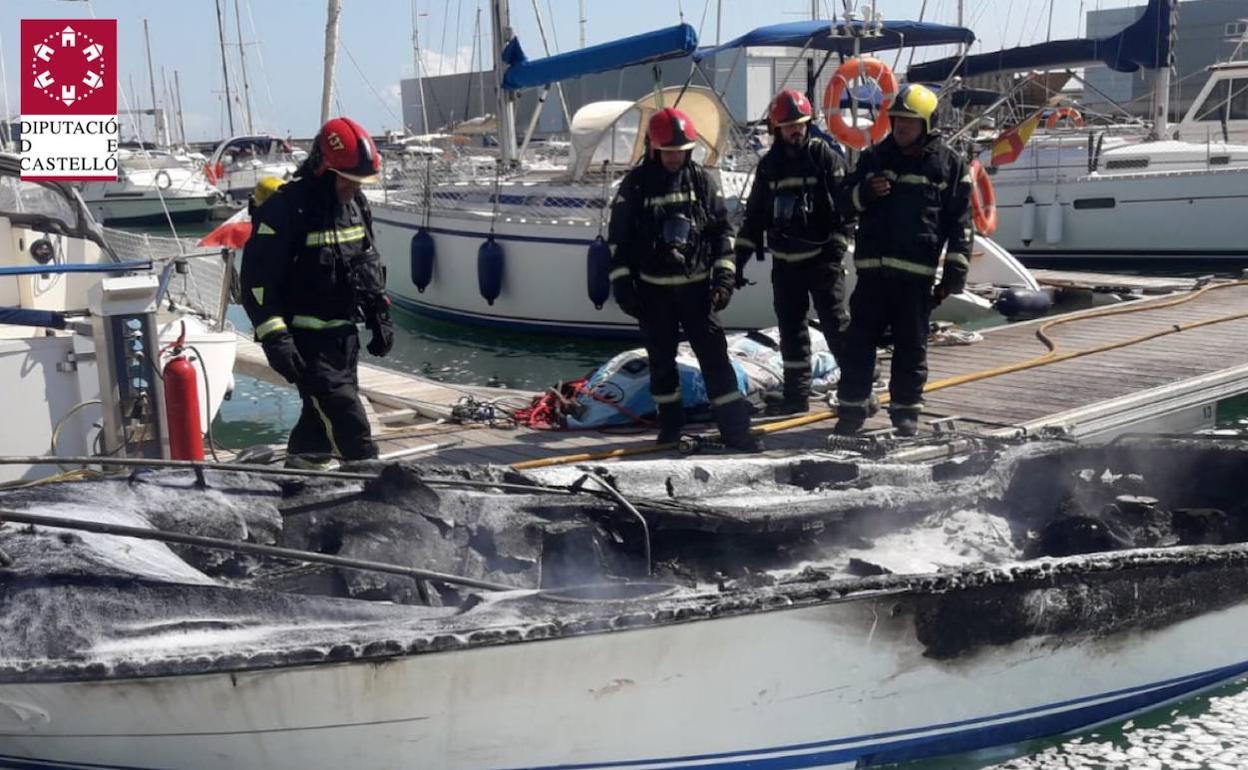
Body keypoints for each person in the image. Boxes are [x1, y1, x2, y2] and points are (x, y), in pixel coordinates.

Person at [240, 116, 395, 468]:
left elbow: (367, 260)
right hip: (306, 343)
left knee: (319, 419)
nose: (355, 189)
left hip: (344, 339)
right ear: (325, 169)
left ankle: (301, 472)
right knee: (347, 419)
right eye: (350, 181)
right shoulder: (284, 210)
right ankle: (373, 486)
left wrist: (378, 313)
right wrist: (276, 338)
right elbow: (257, 283)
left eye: (361, 182)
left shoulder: (356, 206)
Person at [607, 107, 761, 453]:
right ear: (654, 148)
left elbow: (723, 232)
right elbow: (618, 242)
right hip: (653, 293)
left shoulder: (701, 182)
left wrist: (723, 278)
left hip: (697, 290)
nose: (675, 157)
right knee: (661, 364)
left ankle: (736, 432)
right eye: (669, 151)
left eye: (681, 150)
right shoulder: (635, 186)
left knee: (716, 362)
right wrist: (623, 287)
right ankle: (670, 429)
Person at [833, 83, 973, 437]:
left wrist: (956, 271)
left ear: (928, 124)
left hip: (915, 279)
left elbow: (961, 222)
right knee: (858, 347)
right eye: (897, 121)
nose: (901, 128)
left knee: (911, 349)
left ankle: (905, 415)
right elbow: (842, 203)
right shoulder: (874, 158)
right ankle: (850, 414)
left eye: (909, 123)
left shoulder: (949, 165)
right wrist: (864, 192)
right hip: (873, 276)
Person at [735, 89, 854, 417]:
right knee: (791, 329)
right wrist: (737, 264)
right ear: (776, 129)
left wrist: (837, 245)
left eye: (800, 124)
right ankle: (796, 396)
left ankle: (856, 385)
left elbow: (847, 206)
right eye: (788, 126)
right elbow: (755, 218)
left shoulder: (824, 157)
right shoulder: (769, 167)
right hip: (785, 263)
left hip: (822, 260)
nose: (795, 130)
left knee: (835, 322)